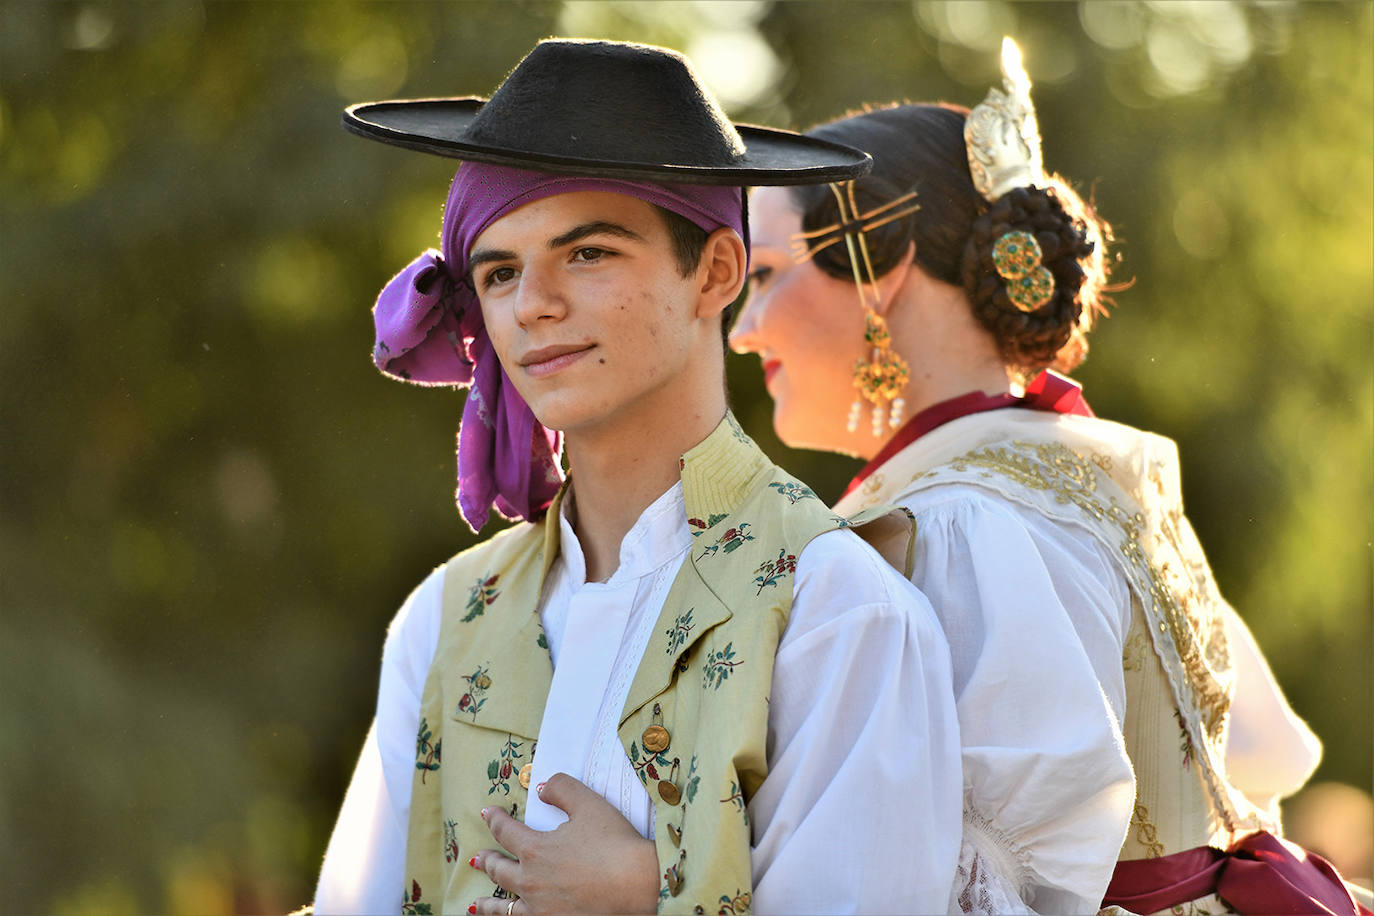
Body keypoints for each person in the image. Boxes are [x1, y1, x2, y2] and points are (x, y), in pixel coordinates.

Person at [312, 39, 964, 916]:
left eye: (588, 254)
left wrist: (653, 899)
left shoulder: (835, 613)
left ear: (717, 271)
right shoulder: (446, 618)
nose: (533, 302)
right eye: (499, 271)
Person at [730, 38, 1366, 916]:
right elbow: (1261, 760)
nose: (742, 329)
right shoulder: (1105, 472)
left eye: (764, 275)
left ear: (883, 264)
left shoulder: (956, 524)